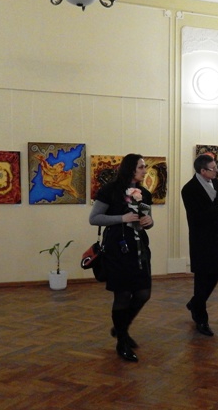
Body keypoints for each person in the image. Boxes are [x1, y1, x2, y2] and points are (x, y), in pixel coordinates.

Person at [89, 153, 154, 362]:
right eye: (141, 167)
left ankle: (121, 328)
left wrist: (149, 222)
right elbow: (94, 218)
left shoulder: (144, 193)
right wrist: (122, 218)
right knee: (123, 295)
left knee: (143, 293)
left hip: (139, 248)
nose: (144, 170)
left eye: (144, 167)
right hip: (118, 249)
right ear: (130, 168)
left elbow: (148, 219)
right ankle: (122, 341)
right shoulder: (110, 190)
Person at [181, 154, 218, 336]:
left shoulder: (216, 183)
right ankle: (201, 319)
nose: (216, 171)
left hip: (217, 236)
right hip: (200, 239)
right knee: (202, 277)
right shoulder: (189, 189)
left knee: (217, 272)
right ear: (202, 171)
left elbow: (215, 211)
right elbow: (196, 218)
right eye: (213, 168)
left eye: (216, 167)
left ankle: (195, 303)